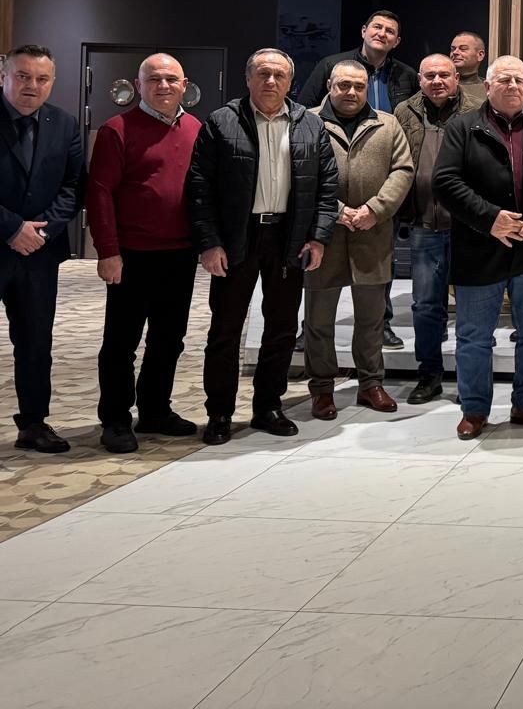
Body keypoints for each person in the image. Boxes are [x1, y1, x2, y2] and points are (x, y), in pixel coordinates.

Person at [189, 48, 338, 446]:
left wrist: (317, 237)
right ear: (248, 79)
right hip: (237, 237)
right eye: (263, 74)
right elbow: (200, 188)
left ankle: (268, 407)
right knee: (225, 329)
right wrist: (209, 243)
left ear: (290, 82)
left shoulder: (310, 125)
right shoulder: (221, 122)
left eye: (279, 75)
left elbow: (326, 188)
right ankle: (219, 412)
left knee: (282, 328)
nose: (271, 81)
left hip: (288, 237)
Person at [433, 56, 523, 440]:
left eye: (519, 80)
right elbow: (445, 181)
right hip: (480, 248)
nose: (512, 86)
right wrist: (489, 218)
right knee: (474, 336)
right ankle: (474, 410)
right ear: (488, 86)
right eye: (504, 80)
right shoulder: (463, 127)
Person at [88, 53, 200, 453]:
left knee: (169, 339)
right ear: (139, 86)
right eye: (154, 79)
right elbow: (99, 193)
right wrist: (108, 251)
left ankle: (155, 409)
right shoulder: (116, 130)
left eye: (171, 79)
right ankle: (116, 419)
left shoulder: (196, 129)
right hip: (131, 255)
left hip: (180, 254)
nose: (163, 86)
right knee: (121, 343)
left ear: (184, 85)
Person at [301, 61, 414, 420]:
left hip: (372, 234)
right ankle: (322, 388)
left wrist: (374, 210)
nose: (351, 92)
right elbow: (300, 173)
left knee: (371, 319)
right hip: (322, 236)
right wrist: (336, 211)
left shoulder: (388, 124)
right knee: (318, 320)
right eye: (344, 85)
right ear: (329, 86)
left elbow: (403, 170)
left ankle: (370, 384)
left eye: (359, 86)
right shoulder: (307, 122)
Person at [2, 46, 84, 454]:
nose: (31, 86)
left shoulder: (64, 123)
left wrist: (41, 232)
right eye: (23, 76)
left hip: (39, 253)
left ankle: (33, 424)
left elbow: (74, 185)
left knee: (35, 342)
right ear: (4, 76)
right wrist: (12, 228)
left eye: (41, 79)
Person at [394, 53, 481, 404]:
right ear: (420, 80)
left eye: (444, 75)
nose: (437, 81)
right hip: (424, 226)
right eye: (430, 76)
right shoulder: (404, 112)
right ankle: (429, 375)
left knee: (471, 306)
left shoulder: (477, 110)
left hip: (468, 226)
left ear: (456, 78)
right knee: (426, 306)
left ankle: (468, 379)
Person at [301, 9, 418, 112]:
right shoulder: (331, 65)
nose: (382, 34)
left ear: (396, 42)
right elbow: (305, 108)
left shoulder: (407, 75)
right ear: (363, 31)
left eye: (389, 31)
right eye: (377, 27)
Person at [451, 31, 487, 96]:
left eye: (463, 49)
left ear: (480, 55)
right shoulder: (441, 85)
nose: (455, 52)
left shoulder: (489, 88)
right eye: (453, 49)